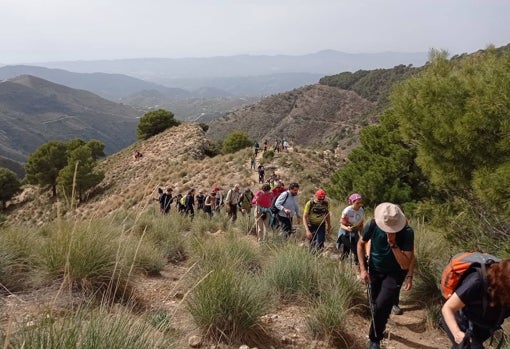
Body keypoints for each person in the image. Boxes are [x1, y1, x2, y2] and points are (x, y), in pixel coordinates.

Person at [357, 203, 414, 349]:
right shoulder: (373, 225)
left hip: (395, 273)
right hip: (375, 269)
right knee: (375, 304)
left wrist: (393, 245)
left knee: (382, 304)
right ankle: (381, 321)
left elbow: (405, 264)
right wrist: (363, 269)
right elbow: (360, 243)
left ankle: (375, 338)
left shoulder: (407, 232)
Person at [441, 259, 510, 349]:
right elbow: (447, 308)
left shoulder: (506, 291)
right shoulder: (477, 282)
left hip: (482, 328)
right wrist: (457, 333)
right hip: (458, 320)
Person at [338, 193, 365, 263]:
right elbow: (341, 225)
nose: (360, 205)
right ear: (352, 202)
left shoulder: (361, 210)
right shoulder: (347, 211)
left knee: (347, 252)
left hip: (355, 232)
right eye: (357, 203)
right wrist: (347, 228)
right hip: (345, 233)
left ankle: (343, 266)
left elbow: (361, 225)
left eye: (361, 203)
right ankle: (358, 269)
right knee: (356, 251)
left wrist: (362, 236)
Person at [303, 189, 331, 253]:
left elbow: (327, 215)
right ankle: (311, 257)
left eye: (322, 199)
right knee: (312, 242)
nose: (320, 201)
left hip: (321, 225)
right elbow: (304, 217)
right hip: (311, 225)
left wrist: (329, 226)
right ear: (315, 196)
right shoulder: (310, 203)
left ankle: (319, 257)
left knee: (320, 242)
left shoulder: (326, 204)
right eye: (319, 199)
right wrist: (307, 230)